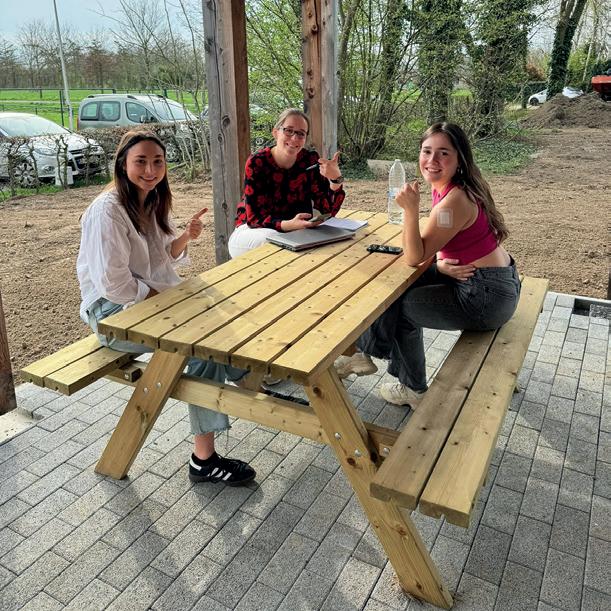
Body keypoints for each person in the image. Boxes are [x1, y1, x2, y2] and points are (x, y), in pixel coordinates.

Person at [76, 130, 256, 486]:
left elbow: (163, 257)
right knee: (200, 343)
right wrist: (171, 301)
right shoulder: (107, 211)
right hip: (112, 315)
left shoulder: (153, 200)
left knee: (222, 310)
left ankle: (243, 381)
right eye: (141, 161)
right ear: (123, 164)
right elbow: (114, 285)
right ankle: (205, 458)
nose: (150, 170)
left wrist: (186, 236)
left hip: (149, 301)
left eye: (157, 161)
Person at [336, 122, 520, 406]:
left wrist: (410, 211)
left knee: (402, 306)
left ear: (459, 159)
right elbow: (444, 242)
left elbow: (414, 256)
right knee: (392, 283)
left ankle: (411, 388)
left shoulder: (454, 201)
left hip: (485, 298)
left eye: (444, 153)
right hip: (489, 281)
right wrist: (440, 265)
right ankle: (363, 354)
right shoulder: (455, 187)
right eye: (427, 151)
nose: (432, 160)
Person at [228, 108, 346, 258]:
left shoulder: (309, 160)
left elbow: (328, 210)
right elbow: (254, 219)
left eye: (301, 133)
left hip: (295, 232)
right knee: (275, 241)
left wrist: (335, 180)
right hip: (253, 231)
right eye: (289, 130)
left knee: (335, 243)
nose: (295, 138)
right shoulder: (257, 162)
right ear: (276, 132)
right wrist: (288, 225)